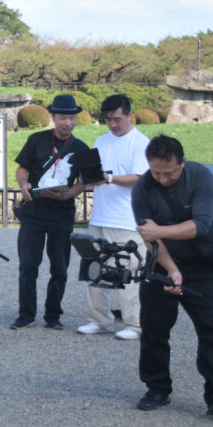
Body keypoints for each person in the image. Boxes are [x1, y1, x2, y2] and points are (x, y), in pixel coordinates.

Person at [131, 135, 213, 416]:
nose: (162, 178)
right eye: (156, 172)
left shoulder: (199, 176)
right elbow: (150, 240)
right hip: (161, 263)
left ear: (183, 161)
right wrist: (172, 270)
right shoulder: (142, 188)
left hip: (202, 263)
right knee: (154, 329)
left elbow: (201, 225)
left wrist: (160, 230)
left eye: (169, 172)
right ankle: (157, 388)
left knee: (211, 328)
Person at [11, 94, 90, 331]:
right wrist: (23, 184)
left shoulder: (80, 148)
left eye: (72, 117)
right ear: (54, 117)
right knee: (28, 266)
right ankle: (26, 314)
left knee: (59, 267)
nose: (68, 122)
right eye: (63, 117)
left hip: (62, 212)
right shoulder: (37, 140)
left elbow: (83, 182)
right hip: (33, 211)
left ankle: (53, 314)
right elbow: (22, 169)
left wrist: (69, 194)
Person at [77, 94, 151, 340]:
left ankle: (136, 325)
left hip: (127, 219)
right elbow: (94, 173)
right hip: (100, 216)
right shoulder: (100, 140)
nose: (112, 124)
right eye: (108, 119)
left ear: (130, 115)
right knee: (92, 267)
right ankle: (99, 320)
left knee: (130, 273)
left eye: (117, 119)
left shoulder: (141, 143)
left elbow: (141, 178)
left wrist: (109, 178)